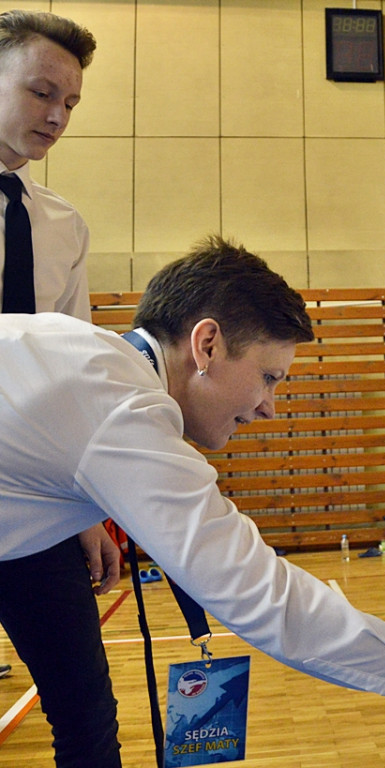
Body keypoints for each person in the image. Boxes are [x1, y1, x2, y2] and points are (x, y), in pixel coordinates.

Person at [0, 235, 385, 768]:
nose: (269, 406)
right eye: (268, 377)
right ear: (207, 345)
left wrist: (74, 512)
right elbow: (267, 599)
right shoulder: (123, 409)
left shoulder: (82, 354)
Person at [0, 5, 125, 749]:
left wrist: (84, 511)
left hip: (34, 508)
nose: (57, 116)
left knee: (86, 718)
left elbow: (71, 381)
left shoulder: (62, 226)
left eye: (71, 103)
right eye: (42, 92)